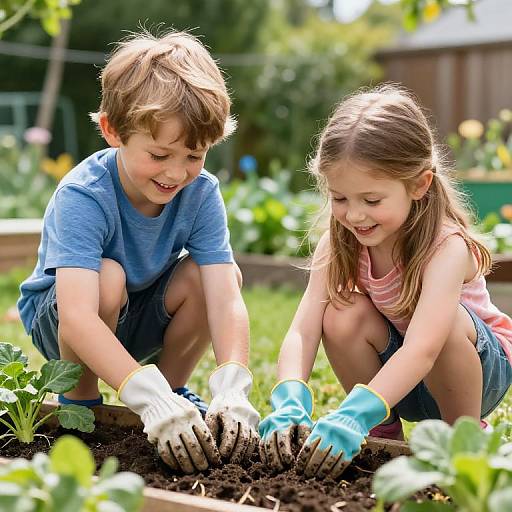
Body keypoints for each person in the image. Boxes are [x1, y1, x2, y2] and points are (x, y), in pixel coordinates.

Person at [17, 29, 260, 474]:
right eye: (160, 154)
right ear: (113, 131)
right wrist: (138, 390)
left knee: (215, 277)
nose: (176, 172)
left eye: (194, 155)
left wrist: (233, 382)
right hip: (69, 322)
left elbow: (225, 297)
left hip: (141, 311)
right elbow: (76, 316)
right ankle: (82, 402)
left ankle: (170, 396)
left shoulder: (201, 193)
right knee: (107, 278)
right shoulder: (84, 195)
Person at [259, 84, 512, 479]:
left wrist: (354, 409)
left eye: (371, 200)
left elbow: (425, 347)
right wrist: (289, 394)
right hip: (399, 377)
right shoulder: (340, 241)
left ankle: (462, 441)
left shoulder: (445, 246)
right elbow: (303, 329)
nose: (354, 215)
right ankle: (383, 435)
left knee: (444, 327)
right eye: (340, 198)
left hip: (477, 372)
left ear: (419, 184)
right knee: (341, 314)